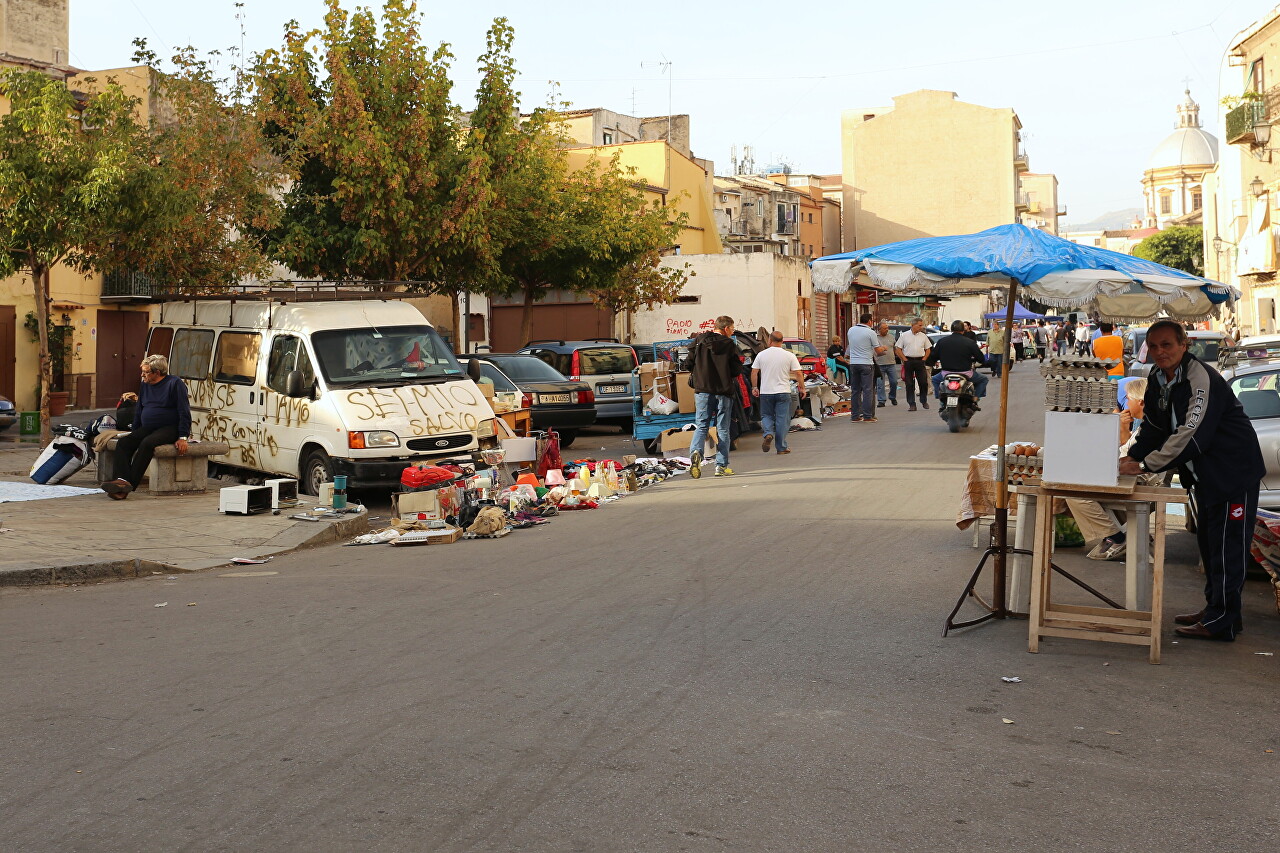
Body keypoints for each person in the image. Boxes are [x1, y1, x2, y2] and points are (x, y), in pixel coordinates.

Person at [1119, 320, 1265, 642]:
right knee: (1209, 544)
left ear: (1184, 344)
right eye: (1154, 346)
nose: (1160, 352)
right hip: (1205, 476)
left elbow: (1191, 434)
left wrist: (1144, 464)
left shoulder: (1201, 378)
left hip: (1232, 472)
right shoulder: (1157, 377)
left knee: (1228, 547)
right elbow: (1154, 428)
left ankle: (1222, 620)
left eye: (1167, 345)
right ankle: (1218, 610)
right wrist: (1129, 456)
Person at [1065, 378, 1156, 560]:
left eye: (1128, 398)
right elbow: (1125, 448)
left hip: (1138, 484)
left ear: (1140, 402)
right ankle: (1127, 533)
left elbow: (1129, 460)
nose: (1126, 403)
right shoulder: (1147, 426)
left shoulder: (1150, 430)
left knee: (1073, 493)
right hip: (1133, 479)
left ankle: (1116, 537)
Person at [103, 355, 191, 500]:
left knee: (147, 443)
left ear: (157, 373)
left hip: (169, 427)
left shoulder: (175, 384)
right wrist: (134, 431)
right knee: (125, 443)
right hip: (148, 426)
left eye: (146, 372)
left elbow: (184, 411)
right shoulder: (145, 384)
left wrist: (183, 437)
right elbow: (140, 409)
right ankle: (121, 479)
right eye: (142, 371)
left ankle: (127, 486)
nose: (142, 375)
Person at [685, 315, 742, 478]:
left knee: (701, 425)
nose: (732, 332)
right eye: (732, 329)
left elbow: (688, 364)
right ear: (725, 329)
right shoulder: (729, 344)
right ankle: (721, 466)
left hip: (703, 390)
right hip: (724, 391)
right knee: (723, 428)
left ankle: (696, 452)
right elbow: (736, 370)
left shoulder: (699, 341)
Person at [752, 331, 805, 455]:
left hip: (766, 392)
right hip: (783, 392)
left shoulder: (761, 355)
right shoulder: (789, 355)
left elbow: (754, 372)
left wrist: (754, 387)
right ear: (782, 341)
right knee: (782, 419)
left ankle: (768, 433)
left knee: (766, 416)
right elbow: (798, 373)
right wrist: (802, 388)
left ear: (770, 340)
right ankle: (781, 447)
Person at [927, 321, 989, 402]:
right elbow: (980, 358)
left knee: (934, 379)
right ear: (963, 330)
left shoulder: (942, 342)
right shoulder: (970, 342)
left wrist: (930, 363)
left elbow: (933, 356)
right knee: (983, 379)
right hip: (966, 373)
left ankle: (940, 397)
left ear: (951, 330)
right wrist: (983, 362)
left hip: (946, 373)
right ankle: (976, 397)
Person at [846, 313, 885, 423]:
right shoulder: (871, 332)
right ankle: (867, 416)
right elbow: (878, 351)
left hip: (853, 364)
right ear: (869, 321)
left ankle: (855, 416)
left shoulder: (851, 330)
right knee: (868, 390)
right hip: (866, 364)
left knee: (855, 390)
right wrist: (884, 348)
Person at [894, 317, 932, 412]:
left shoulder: (923, 336)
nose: (921, 327)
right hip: (909, 361)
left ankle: (923, 400)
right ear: (913, 325)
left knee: (923, 382)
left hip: (920, 361)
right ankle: (911, 404)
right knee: (909, 383)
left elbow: (928, 349)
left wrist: (924, 359)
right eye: (919, 325)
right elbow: (898, 349)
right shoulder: (904, 335)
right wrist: (904, 359)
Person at [873, 321, 899, 407]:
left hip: (891, 363)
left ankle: (892, 397)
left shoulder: (891, 337)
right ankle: (881, 400)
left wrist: (899, 357)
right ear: (879, 329)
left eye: (887, 328)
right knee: (880, 384)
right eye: (884, 328)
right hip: (879, 364)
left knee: (894, 382)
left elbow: (895, 348)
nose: (887, 330)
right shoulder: (875, 338)